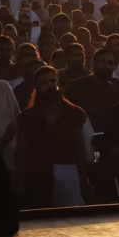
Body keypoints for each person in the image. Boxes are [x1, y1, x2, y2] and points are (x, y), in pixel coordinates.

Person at [14, 66, 90, 208]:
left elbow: (81, 150)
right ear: (36, 87)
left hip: (68, 174)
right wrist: (19, 183)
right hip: (37, 177)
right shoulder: (27, 117)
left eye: (52, 81)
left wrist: (84, 180)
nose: (49, 86)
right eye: (44, 83)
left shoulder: (74, 113)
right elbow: (20, 152)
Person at [64, 47, 119, 131]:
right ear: (94, 64)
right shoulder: (76, 87)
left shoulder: (118, 86)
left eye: (110, 63)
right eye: (103, 62)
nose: (106, 66)